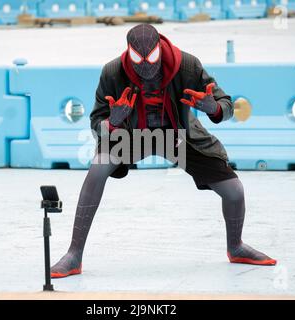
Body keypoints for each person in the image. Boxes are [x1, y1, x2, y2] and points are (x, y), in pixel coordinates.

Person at [50, 24, 276, 278]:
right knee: (97, 170)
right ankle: (74, 254)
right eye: (138, 58)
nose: (145, 64)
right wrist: (112, 122)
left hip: (178, 137)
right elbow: (96, 124)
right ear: (128, 52)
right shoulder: (112, 72)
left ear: (161, 48)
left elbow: (227, 105)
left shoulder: (188, 65)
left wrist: (213, 108)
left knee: (234, 191)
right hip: (130, 136)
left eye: (152, 57)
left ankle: (236, 246)